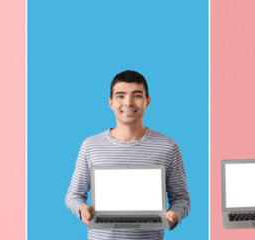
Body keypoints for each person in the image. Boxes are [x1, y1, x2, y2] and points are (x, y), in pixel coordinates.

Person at [64, 70, 190, 240]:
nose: (128, 102)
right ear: (110, 102)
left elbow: (181, 198)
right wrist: (82, 209)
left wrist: (174, 214)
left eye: (137, 96)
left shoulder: (168, 147)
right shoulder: (90, 146)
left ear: (147, 101)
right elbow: (73, 195)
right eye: (120, 96)